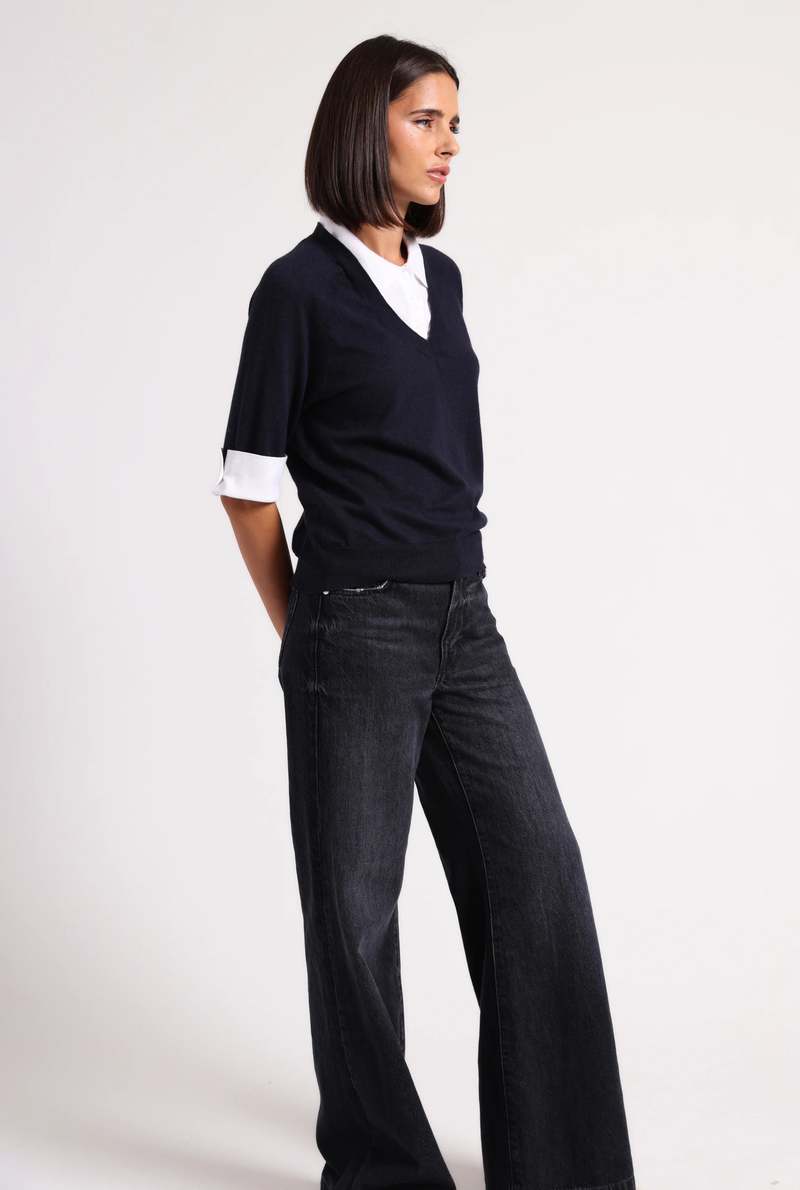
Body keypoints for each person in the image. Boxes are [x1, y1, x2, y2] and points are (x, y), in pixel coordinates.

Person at [211, 33, 637, 1190]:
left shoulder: (438, 281)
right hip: (352, 620)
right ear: (368, 129)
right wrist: (309, 629)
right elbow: (248, 486)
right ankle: (381, 1170)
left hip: (465, 617)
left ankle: (561, 1167)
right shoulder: (298, 290)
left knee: (535, 871)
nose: (447, 144)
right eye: (424, 120)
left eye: (454, 124)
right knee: (354, 915)